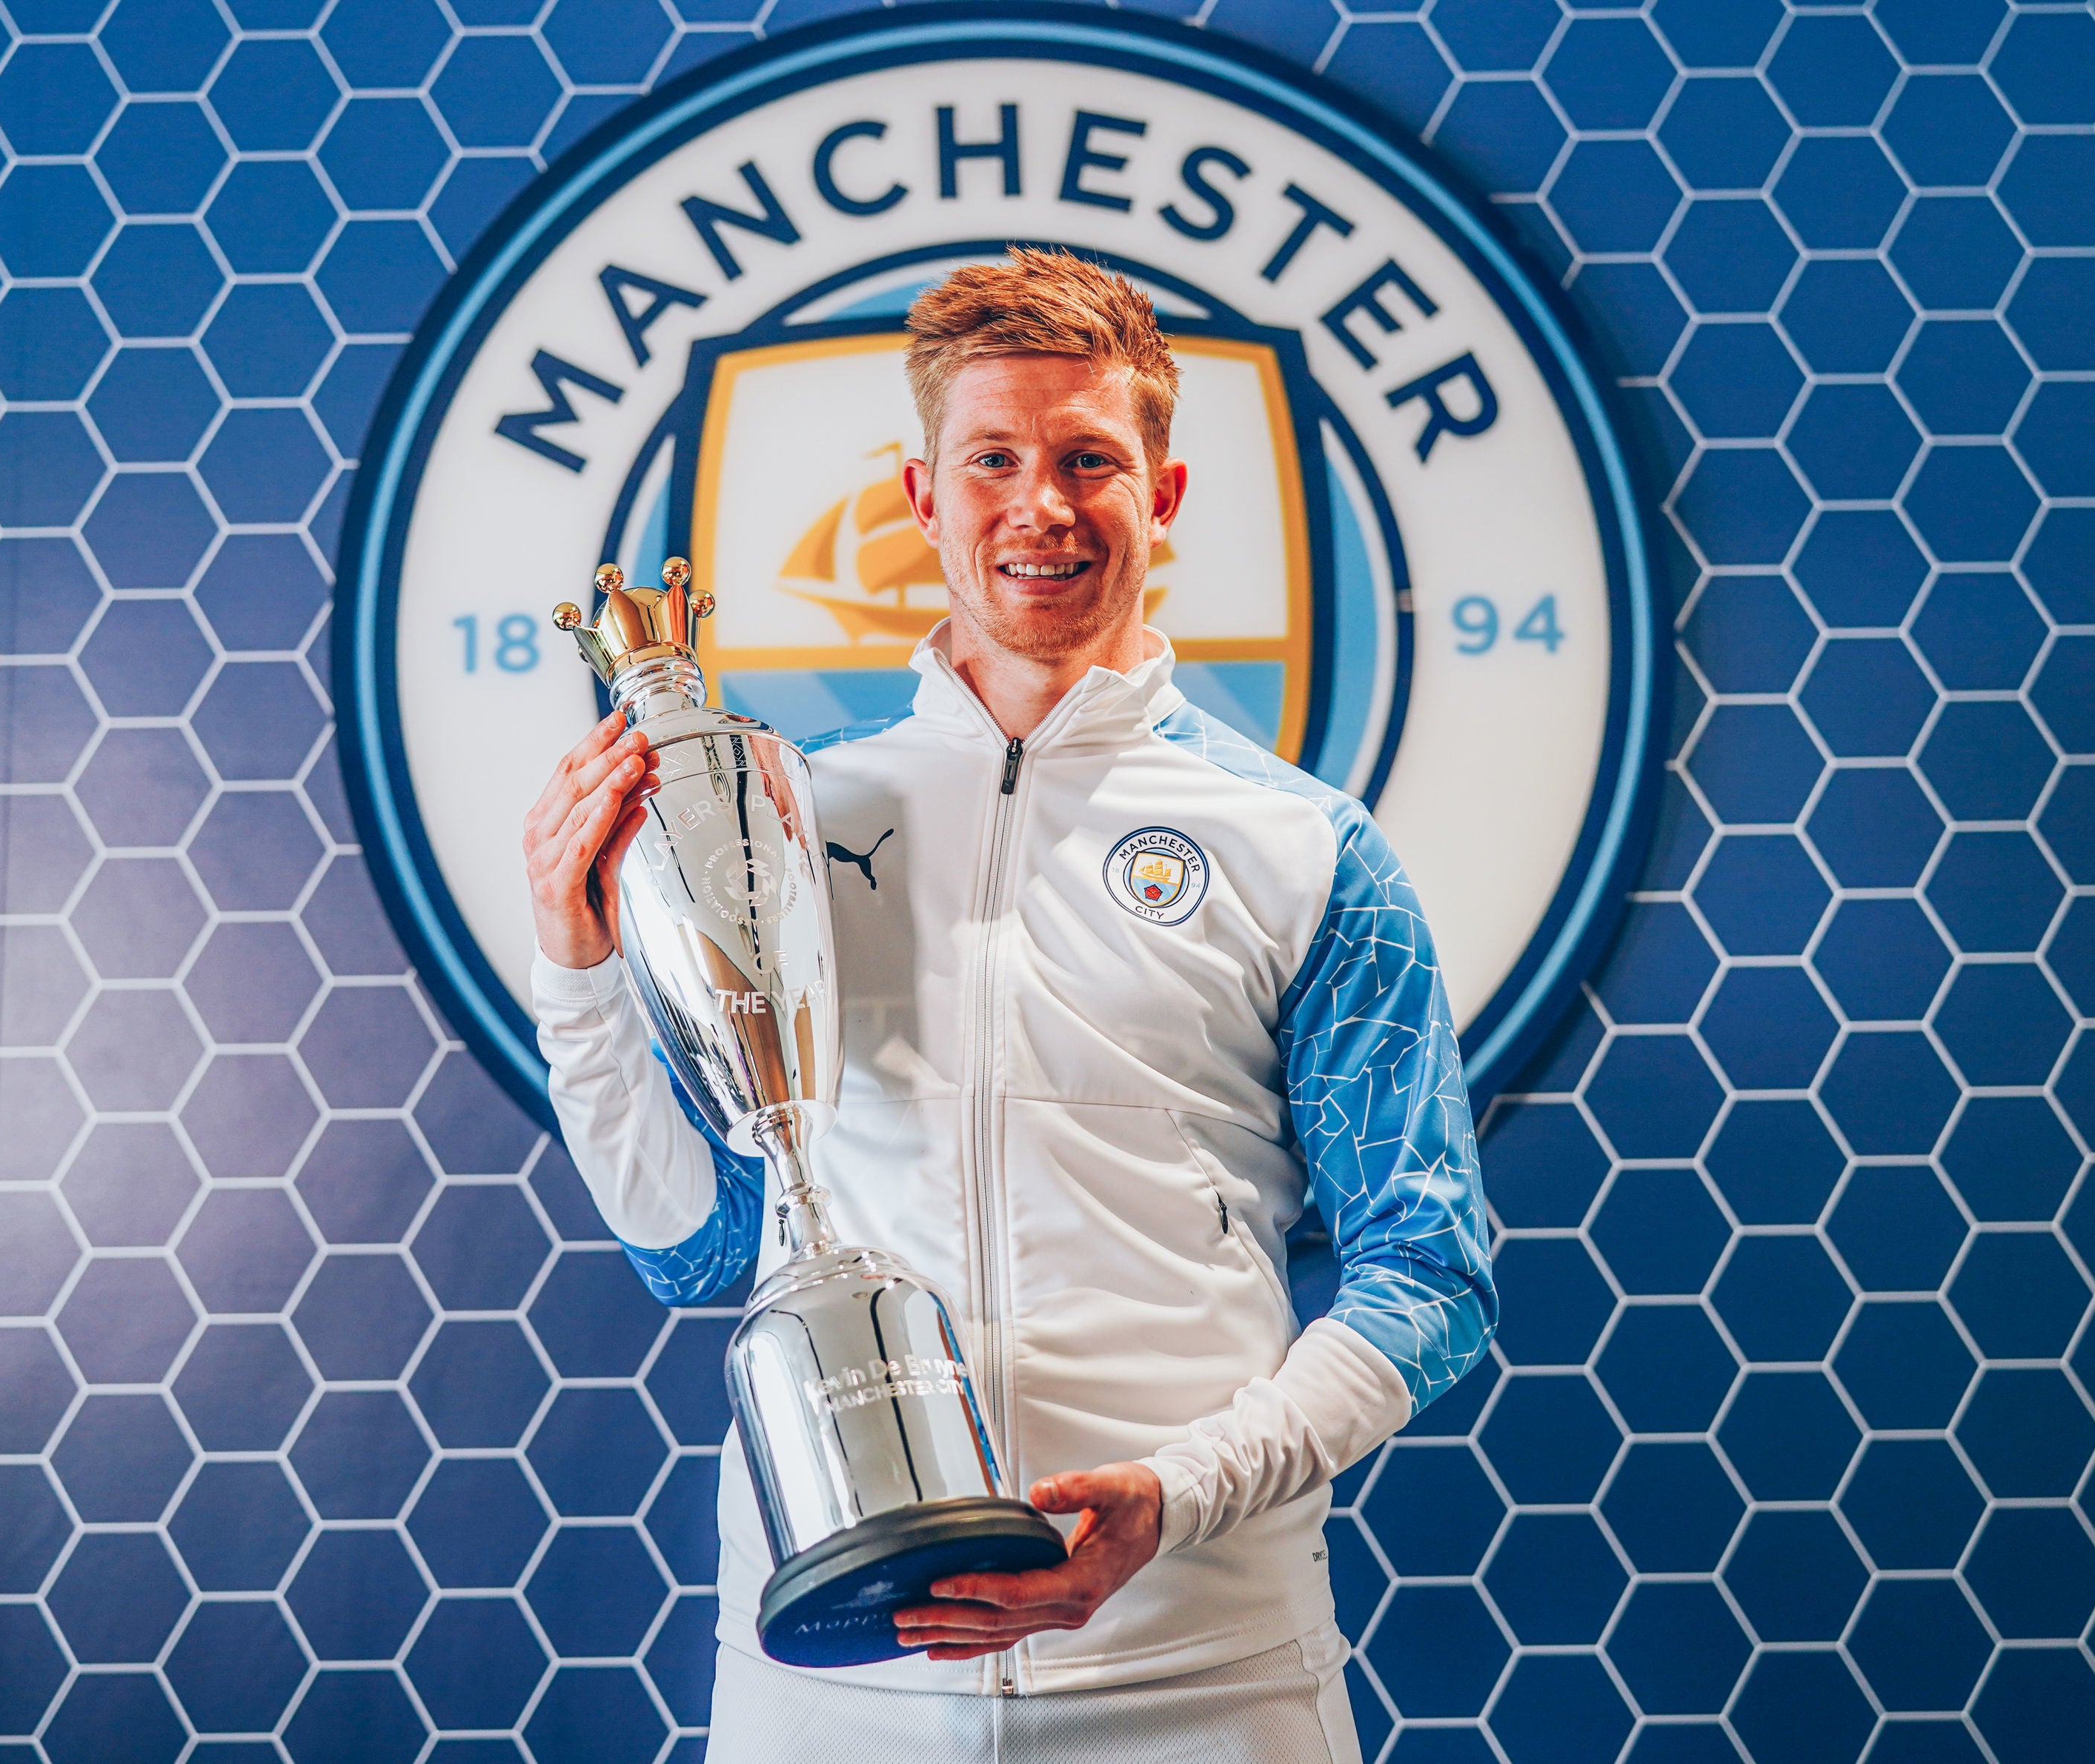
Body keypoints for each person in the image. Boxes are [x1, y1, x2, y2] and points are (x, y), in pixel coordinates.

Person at [522, 248, 1495, 1761]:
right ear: (922, 497)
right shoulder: (786, 822)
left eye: (1088, 460)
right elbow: (694, 1245)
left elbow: (1431, 1276)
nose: (1040, 505)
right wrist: (576, 966)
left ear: (1162, 498)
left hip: (1203, 1668)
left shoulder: (1310, 849)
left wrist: (1179, 1497)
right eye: (992, 460)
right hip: (838, 1671)